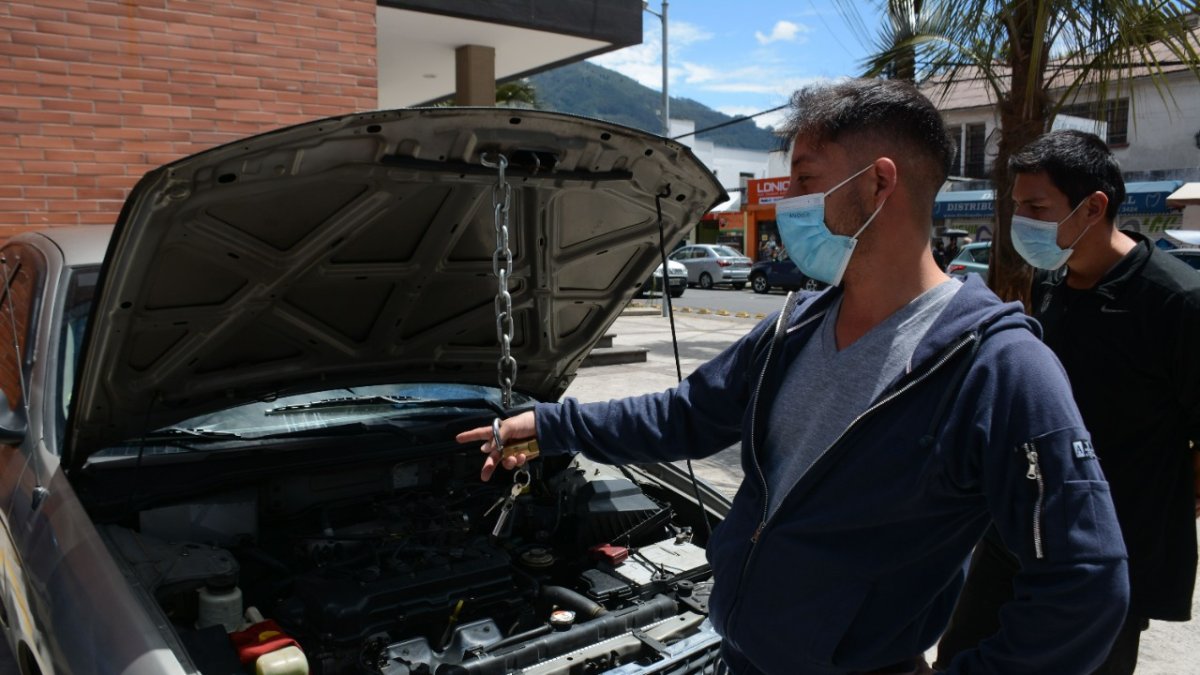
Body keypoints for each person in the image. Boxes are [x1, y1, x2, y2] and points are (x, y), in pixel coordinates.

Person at [458, 80, 1129, 674]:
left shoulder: (998, 367)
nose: (789, 202)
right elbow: (683, 416)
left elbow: (1087, 583)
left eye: (806, 180)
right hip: (737, 651)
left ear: (879, 183)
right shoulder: (794, 327)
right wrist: (551, 424)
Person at [935, 130, 1200, 674]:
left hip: (1104, 556)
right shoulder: (1056, 284)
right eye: (1016, 208)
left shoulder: (1175, 302)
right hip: (1015, 532)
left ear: (1094, 206)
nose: (1021, 222)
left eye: (1036, 207)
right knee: (963, 659)